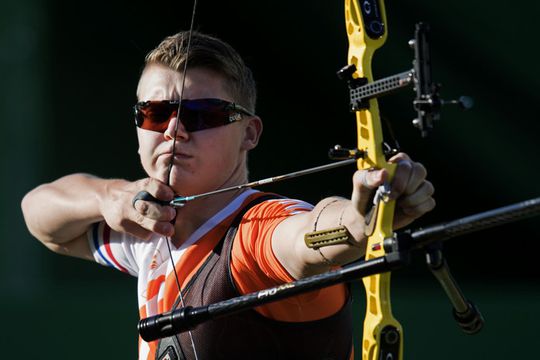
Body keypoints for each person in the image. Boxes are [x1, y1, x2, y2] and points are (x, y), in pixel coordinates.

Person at [21, 31, 435, 360]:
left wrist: (360, 220)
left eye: (200, 115)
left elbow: (308, 236)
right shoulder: (149, 231)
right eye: (154, 113)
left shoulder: (256, 235)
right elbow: (40, 215)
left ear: (249, 134)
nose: (173, 129)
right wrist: (110, 196)